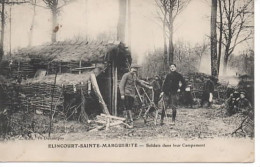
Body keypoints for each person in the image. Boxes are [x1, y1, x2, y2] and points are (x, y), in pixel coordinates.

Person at [119, 64, 152, 128]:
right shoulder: (126, 75)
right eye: (134, 69)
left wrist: (148, 87)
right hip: (126, 94)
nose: (135, 70)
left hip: (132, 95)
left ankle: (128, 122)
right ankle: (129, 122)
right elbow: (121, 85)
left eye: (136, 69)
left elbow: (139, 83)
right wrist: (122, 94)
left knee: (130, 108)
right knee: (127, 108)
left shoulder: (134, 76)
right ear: (131, 68)